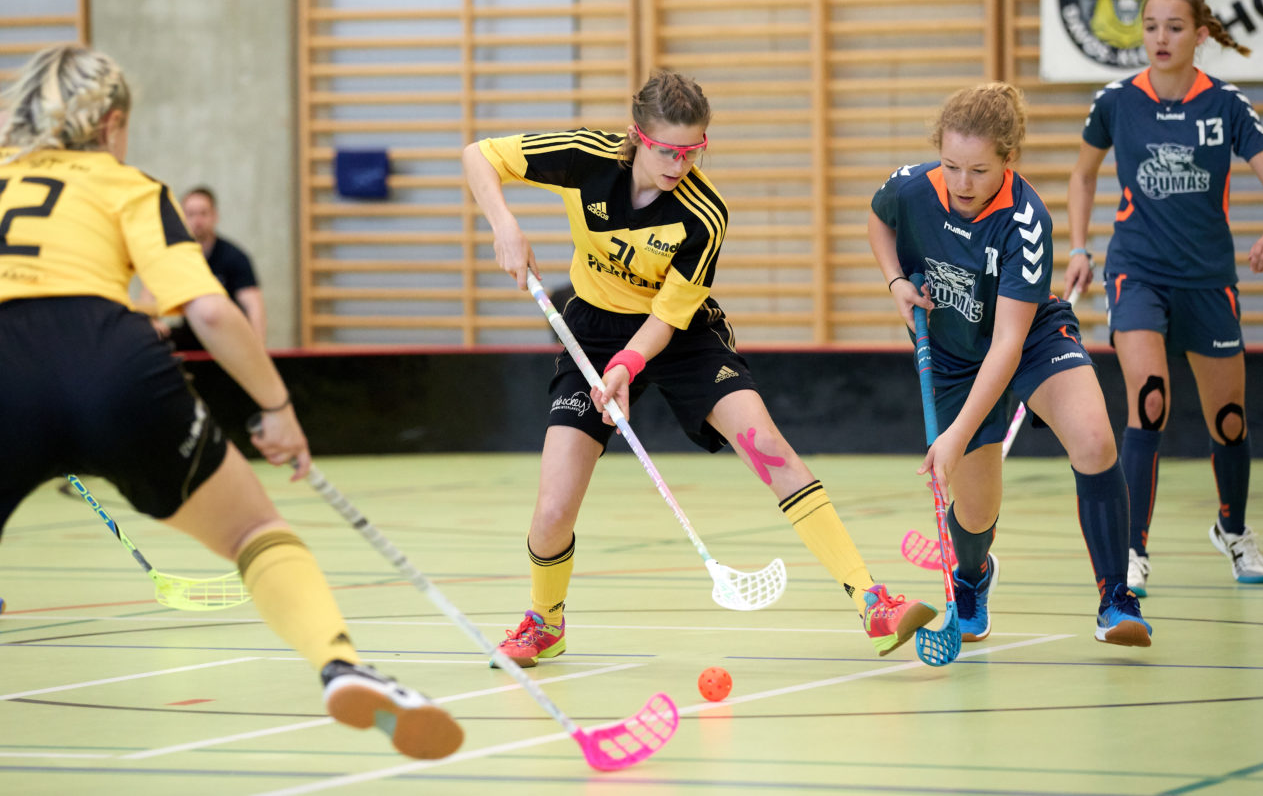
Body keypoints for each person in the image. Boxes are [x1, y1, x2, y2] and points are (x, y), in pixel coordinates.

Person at [0, 44, 463, 760]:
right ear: (111, 122)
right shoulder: (128, 184)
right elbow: (210, 311)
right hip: (113, 364)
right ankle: (340, 663)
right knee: (255, 531)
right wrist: (278, 408)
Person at [462, 70, 938, 666]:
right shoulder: (586, 158)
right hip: (592, 330)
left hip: (682, 334)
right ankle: (545, 622)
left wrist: (627, 367)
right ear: (636, 136)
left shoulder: (703, 214)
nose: (679, 164)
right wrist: (504, 225)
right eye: (666, 150)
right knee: (554, 506)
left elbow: (667, 318)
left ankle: (871, 600)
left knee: (767, 446)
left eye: (693, 150)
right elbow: (479, 155)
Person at [868, 82, 1152, 647]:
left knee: (1095, 440)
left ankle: (1116, 600)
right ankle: (973, 577)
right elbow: (880, 220)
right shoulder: (911, 186)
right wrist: (895, 280)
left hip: (1029, 337)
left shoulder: (1026, 221)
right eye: (951, 166)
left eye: (978, 170)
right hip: (952, 353)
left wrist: (954, 437)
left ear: (1009, 159)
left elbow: (1007, 344)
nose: (962, 183)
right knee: (976, 512)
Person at [1066, 0, 1263, 594]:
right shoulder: (1116, 101)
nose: (1160, 37)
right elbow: (1083, 176)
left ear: (1200, 35)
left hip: (1208, 280)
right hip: (1137, 271)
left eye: (1175, 27)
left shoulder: (1226, 104)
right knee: (1150, 399)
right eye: (1151, 26)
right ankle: (1132, 549)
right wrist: (1079, 248)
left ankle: (1233, 531)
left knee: (1229, 420)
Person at [139, 186, 266, 350]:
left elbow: (254, 306)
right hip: (192, 332)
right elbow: (148, 296)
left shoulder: (234, 257)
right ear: (181, 218)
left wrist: (258, 347)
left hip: (228, 334)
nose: (197, 221)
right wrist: (152, 322)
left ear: (215, 216)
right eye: (191, 214)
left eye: (203, 213)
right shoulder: (173, 256)